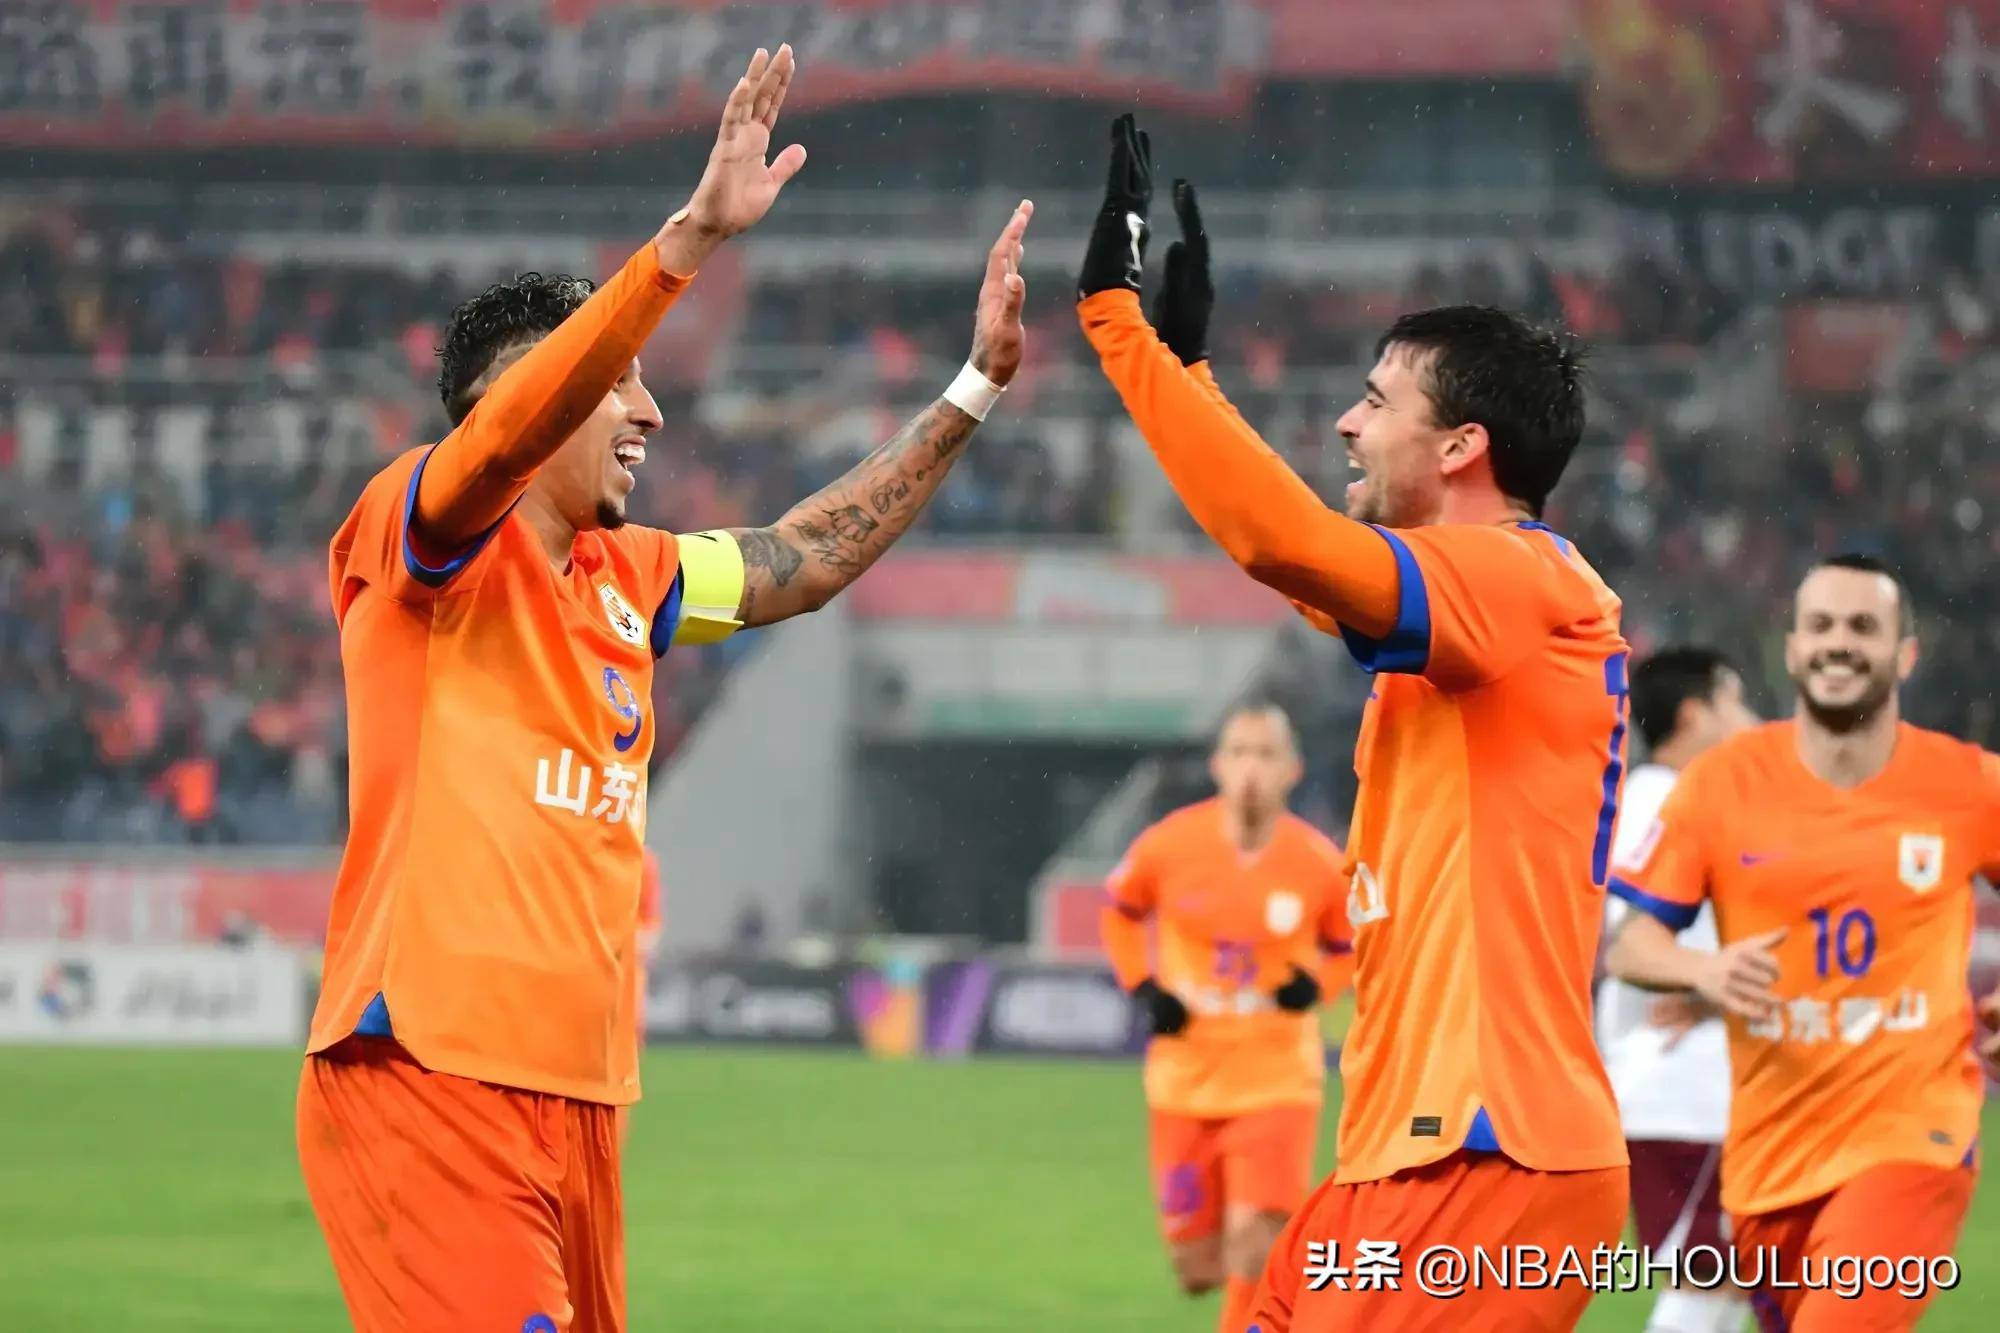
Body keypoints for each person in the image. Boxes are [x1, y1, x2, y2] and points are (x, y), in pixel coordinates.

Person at [295, 45, 1034, 1331]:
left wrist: (971, 389)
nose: (648, 415)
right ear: (528, 399)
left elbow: (803, 560)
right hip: (426, 1069)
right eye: (618, 385)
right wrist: (688, 242)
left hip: (581, 1096)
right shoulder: (424, 530)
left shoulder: (629, 577)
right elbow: (501, 443)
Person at [1077, 114, 1630, 1331]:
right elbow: (1302, 565)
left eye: (1374, 401)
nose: (1344, 422)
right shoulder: (1465, 608)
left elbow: (1280, 540)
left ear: (1461, 446)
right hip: (1399, 1154)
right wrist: (1190, 375)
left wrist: (1117, 330)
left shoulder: (1522, 579)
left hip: (1490, 1154)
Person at [1606, 554, 2000, 1332]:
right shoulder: (1721, 784)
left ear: (1904, 654)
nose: (1839, 642)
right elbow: (1631, 944)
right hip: (1769, 1161)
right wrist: (1701, 967)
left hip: (1912, 1139)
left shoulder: (1967, 783)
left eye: (1863, 626)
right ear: (1792, 649)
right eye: (1821, 625)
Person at [1102, 703, 1353, 1333]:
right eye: (1239, 752)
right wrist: (1143, 986)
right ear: (1218, 765)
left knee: (1256, 1240)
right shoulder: (1169, 844)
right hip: (1183, 1081)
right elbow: (1119, 912)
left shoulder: (1318, 861)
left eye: (1266, 754)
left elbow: (1351, 946)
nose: (1251, 770)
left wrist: (1316, 987)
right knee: (1197, 1264)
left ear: (1292, 770)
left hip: (1276, 1081)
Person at [1597, 647, 1757, 1333]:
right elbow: (1634, 939)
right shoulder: (1670, 802)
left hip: (1678, 1085)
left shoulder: (1644, 799)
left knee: (1728, 1281)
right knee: (1708, 1278)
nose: (1750, 719)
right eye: (1736, 702)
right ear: (1694, 715)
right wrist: (1709, 985)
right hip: (1686, 1085)